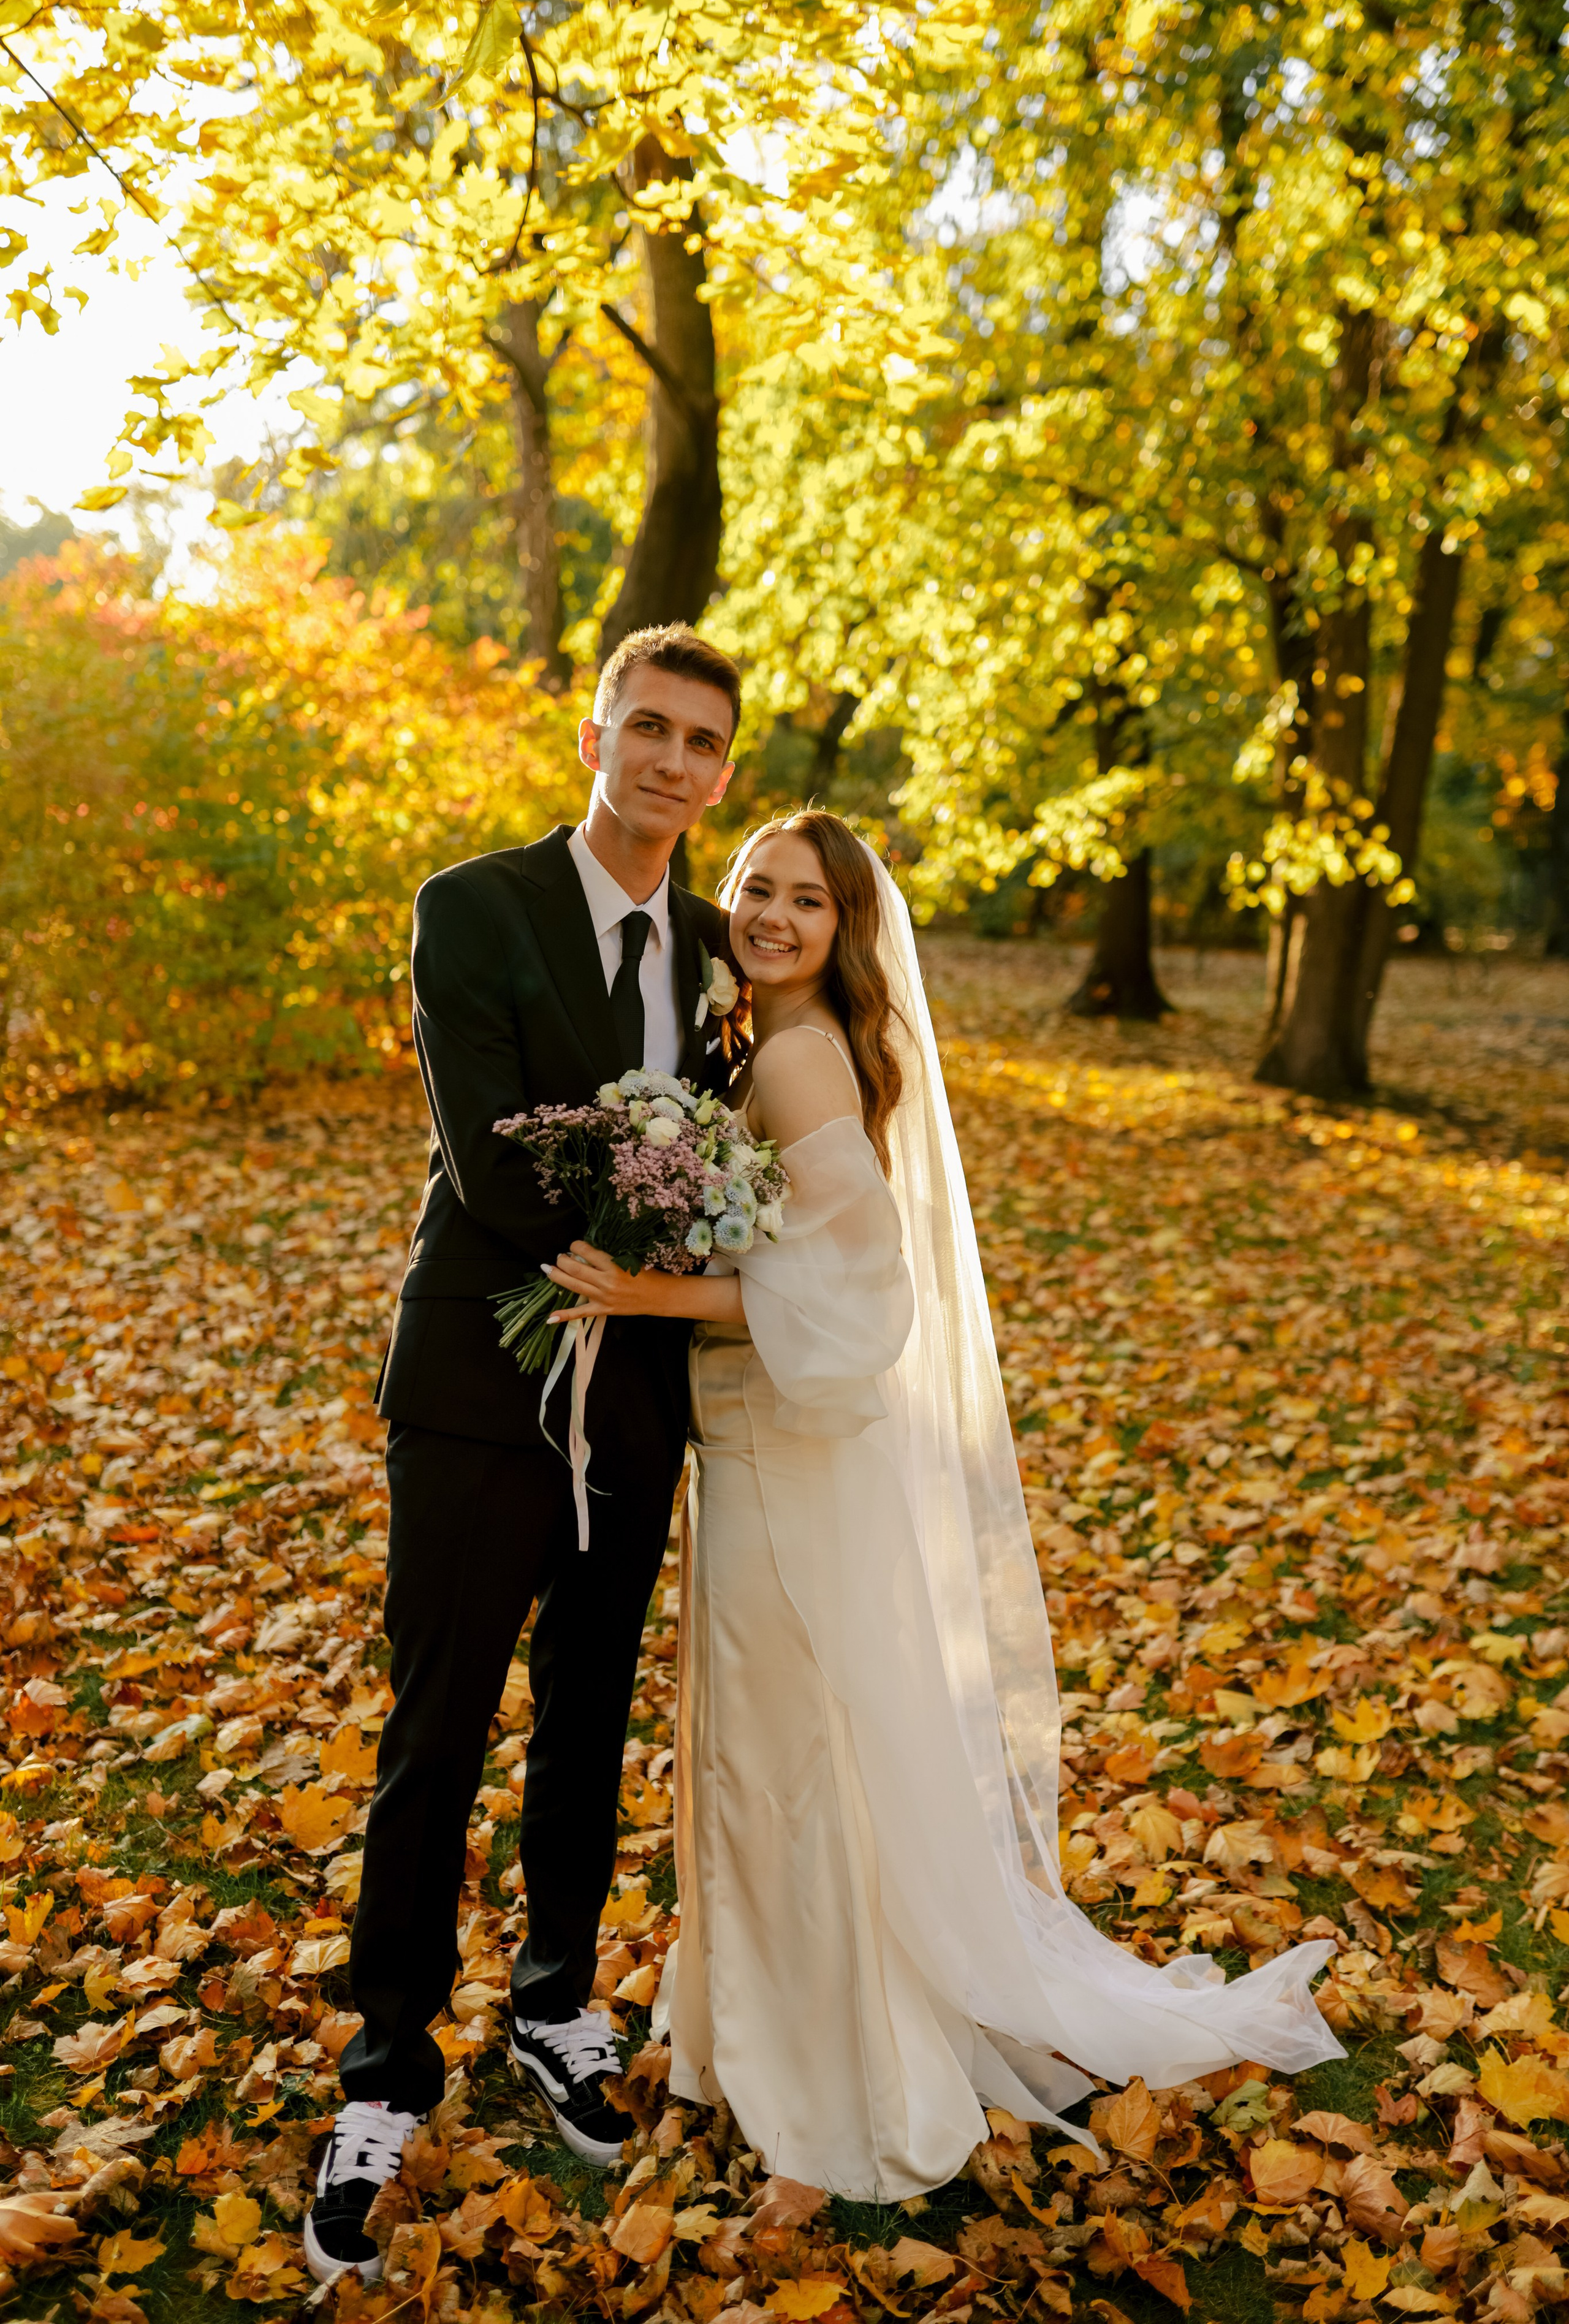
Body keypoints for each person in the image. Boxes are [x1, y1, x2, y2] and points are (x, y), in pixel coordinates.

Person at [540, 808, 1344, 2200]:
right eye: (754, 887)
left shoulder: (795, 1059)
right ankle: (763, 2033)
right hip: (760, 1442)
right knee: (781, 1749)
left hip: (782, 1452)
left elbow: (864, 1292)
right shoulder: (760, 1040)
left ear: (847, 928)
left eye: (806, 900)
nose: (772, 914)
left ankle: (834, 2066)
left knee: (788, 1758)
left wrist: (647, 1287)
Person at [303, 626, 740, 2287]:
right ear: (593, 737)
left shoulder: (718, 949)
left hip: (635, 1397)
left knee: (587, 1714)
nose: (673, 763)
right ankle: (382, 2074)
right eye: (649, 729)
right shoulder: (472, 908)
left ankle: (559, 2001)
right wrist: (668, 1226)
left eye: (703, 743)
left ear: (720, 773)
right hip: (482, 1389)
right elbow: (491, 1166)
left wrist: (692, 1266)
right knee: (438, 1725)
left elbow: (749, 1146)